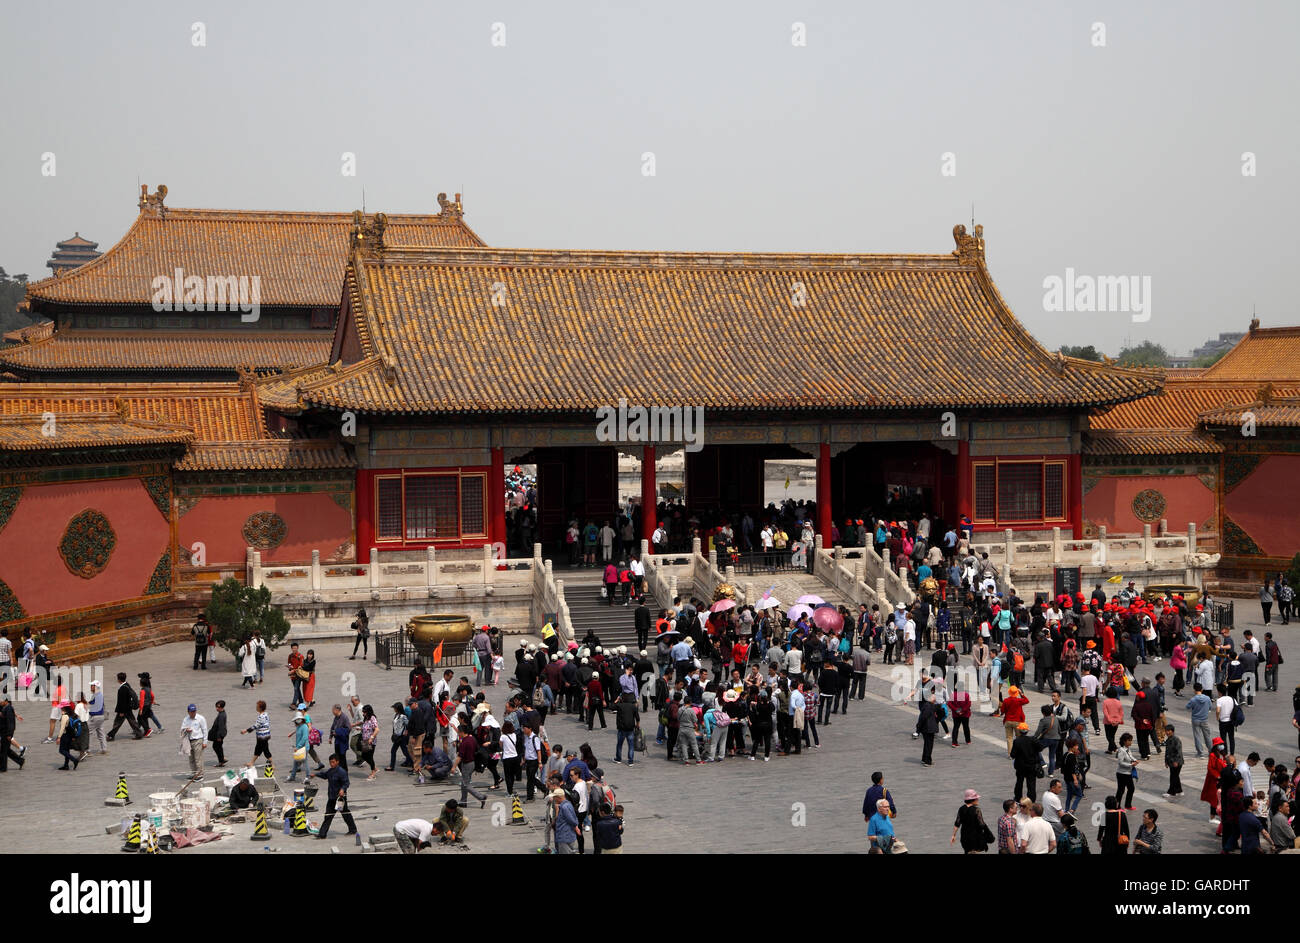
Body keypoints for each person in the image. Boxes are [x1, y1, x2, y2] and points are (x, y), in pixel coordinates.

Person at [313, 753, 357, 839]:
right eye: (330, 762)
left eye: (333, 762)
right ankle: (322, 834)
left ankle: (353, 829)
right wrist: (316, 774)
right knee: (328, 815)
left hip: (340, 799)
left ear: (337, 762)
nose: (331, 764)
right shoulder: (330, 771)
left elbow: (346, 783)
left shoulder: (342, 772)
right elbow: (325, 775)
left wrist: (342, 789)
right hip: (331, 797)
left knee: (345, 813)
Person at [451, 720, 488, 809]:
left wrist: (454, 767)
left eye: (459, 732)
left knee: (466, 784)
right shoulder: (472, 739)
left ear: (462, 732)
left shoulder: (464, 742)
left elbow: (459, 756)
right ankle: (463, 801)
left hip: (467, 764)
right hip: (472, 763)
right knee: (464, 783)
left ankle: (481, 797)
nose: (458, 734)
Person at [106, 672, 143, 741]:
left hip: (124, 709)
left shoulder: (122, 688)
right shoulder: (127, 685)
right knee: (132, 722)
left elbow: (122, 701)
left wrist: (121, 711)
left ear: (119, 679)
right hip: (128, 708)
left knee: (117, 723)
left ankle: (110, 735)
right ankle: (139, 734)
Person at [1010, 723, 1039, 802]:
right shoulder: (1032, 740)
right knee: (1031, 784)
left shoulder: (1017, 741)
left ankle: (1018, 797)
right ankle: (1031, 799)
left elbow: (1012, 754)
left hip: (1020, 766)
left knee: (1019, 782)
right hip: (1031, 765)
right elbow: (1040, 747)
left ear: (1019, 730)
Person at [179, 704, 207, 781]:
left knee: (198, 758)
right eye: (191, 712)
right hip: (189, 740)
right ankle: (194, 773)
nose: (193, 713)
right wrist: (186, 730)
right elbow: (182, 728)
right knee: (191, 758)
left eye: (194, 711)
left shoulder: (200, 718)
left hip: (198, 739)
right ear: (188, 712)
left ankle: (200, 774)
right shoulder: (186, 719)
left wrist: (205, 742)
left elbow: (205, 730)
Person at [1115, 732, 1139, 811]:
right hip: (1122, 774)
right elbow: (1120, 762)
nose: (1131, 742)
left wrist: (1135, 760)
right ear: (1125, 741)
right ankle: (1117, 806)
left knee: (1131, 788)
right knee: (1121, 790)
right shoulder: (1121, 750)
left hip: (1128, 773)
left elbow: (1130, 756)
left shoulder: (1128, 749)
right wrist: (1131, 765)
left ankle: (1128, 805)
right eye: (1129, 740)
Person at [553, 788, 581, 854]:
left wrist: (576, 826)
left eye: (554, 797)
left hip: (565, 836)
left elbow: (572, 820)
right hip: (568, 835)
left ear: (558, 797)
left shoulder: (564, 807)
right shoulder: (568, 804)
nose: (554, 799)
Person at [1162, 724, 1183, 797]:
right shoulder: (1168, 740)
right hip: (1171, 761)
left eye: (1169, 731)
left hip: (1177, 762)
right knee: (1175, 776)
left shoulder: (1176, 740)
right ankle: (1179, 790)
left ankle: (1171, 792)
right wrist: (1166, 761)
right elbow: (1167, 752)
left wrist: (1175, 761)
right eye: (1166, 731)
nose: (1167, 732)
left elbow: (1178, 751)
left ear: (1172, 731)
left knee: (1173, 777)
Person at [208, 700, 228, 767]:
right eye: (216, 706)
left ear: (221, 707)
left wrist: (219, 736)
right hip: (220, 734)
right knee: (218, 747)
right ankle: (222, 759)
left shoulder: (221, 715)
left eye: (218, 707)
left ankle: (221, 761)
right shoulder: (221, 713)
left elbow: (221, 726)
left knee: (217, 747)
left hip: (219, 735)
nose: (216, 708)